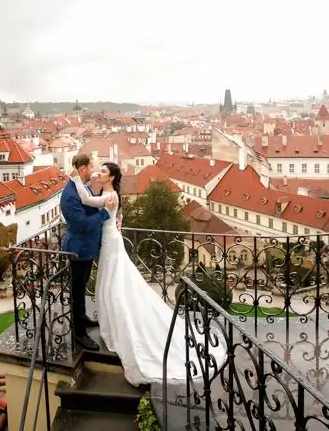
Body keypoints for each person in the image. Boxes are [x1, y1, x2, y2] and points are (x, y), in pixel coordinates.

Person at [69, 162, 221, 386]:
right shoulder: (110, 192)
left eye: (103, 171)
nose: (98, 173)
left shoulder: (109, 195)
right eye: (98, 170)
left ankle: (123, 323)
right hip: (109, 239)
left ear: (111, 177)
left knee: (115, 282)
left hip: (110, 241)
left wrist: (74, 180)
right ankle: (113, 321)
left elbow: (86, 200)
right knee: (113, 280)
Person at [60, 154, 117, 351]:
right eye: (91, 165)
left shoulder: (79, 188)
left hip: (86, 248)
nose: (93, 169)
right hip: (77, 250)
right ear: (82, 168)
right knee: (76, 291)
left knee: (82, 287)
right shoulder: (69, 195)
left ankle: (82, 318)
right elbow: (82, 224)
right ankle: (79, 334)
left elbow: (89, 204)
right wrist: (105, 214)